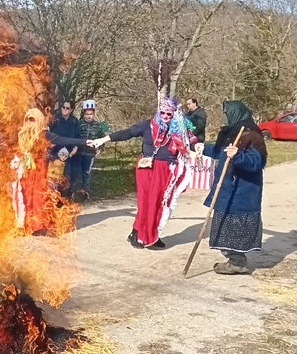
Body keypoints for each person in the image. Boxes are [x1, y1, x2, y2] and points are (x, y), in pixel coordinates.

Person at [90, 97, 193, 249]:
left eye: (169, 114)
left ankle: (153, 235)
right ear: (159, 111)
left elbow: (192, 140)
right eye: (162, 112)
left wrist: (198, 147)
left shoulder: (179, 129)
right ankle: (136, 233)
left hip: (166, 170)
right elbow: (128, 133)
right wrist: (104, 139)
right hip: (147, 168)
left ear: (174, 114)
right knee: (146, 202)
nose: (165, 116)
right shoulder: (147, 126)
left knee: (160, 203)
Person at [199, 101, 267, 274]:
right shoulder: (233, 133)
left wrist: (238, 156)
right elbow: (220, 152)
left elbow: (255, 163)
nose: (225, 117)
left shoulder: (252, 136)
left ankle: (237, 262)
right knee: (224, 226)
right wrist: (202, 147)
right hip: (227, 190)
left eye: (227, 114)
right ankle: (235, 260)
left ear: (236, 114)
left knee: (235, 229)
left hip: (241, 192)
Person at [73, 100, 106, 199]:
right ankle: (75, 192)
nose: (88, 116)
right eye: (87, 114)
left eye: (91, 114)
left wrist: (100, 148)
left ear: (93, 114)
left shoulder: (98, 126)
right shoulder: (78, 124)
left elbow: (102, 138)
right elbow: (73, 136)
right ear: (83, 113)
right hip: (78, 152)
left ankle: (86, 192)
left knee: (87, 172)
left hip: (90, 153)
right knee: (77, 172)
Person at [47, 100, 81, 189]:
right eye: (63, 107)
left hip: (68, 151)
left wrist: (76, 147)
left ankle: (64, 196)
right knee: (54, 175)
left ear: (71, 110)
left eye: (67, 108)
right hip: (55, 151)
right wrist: (49, 143)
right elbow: (47, 131)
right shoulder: (55, 119)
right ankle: (53, 196)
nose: (65, 110)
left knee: (66, 175)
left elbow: (78, 136)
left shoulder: (74, 121)